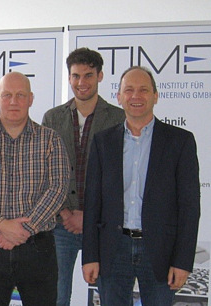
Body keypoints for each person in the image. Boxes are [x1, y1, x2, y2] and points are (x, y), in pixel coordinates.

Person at [82, 66, 200, 305]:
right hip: (113, 250)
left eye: (143, 90)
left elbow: (189, 207)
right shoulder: (103, 142)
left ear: (155, 96)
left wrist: (182, 261)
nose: (136, 96)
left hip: (159, 251)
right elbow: (93, 203)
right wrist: (90, 256)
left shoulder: (180, 141)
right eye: (129, 90)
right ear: (119, 97)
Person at [0, 71, 70, 305]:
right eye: (7, 95)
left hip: (38, 248)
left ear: (31, 99)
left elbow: (58, 188)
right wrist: (1, 225)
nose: (14, 101)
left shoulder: (51, 140)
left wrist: (22, 230)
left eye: (20, 95)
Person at [41, 48, 125, 306]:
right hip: (60, 224)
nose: (81, 82)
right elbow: (46, 171)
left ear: (100, 76)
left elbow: (120, 176)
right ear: (69, 78)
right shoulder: (52, 117)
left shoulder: (119, 118)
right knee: (56, 296)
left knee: (111, 295)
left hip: (102, 226)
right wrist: (66, 212)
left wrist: (89, 216)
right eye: (76, 76)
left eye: (88, 75)